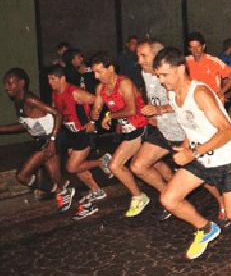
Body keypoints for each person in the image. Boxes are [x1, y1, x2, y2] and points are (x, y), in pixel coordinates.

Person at [155, 48, 231, 270]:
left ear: (179, 69)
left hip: (226, 159)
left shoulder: (200, 93)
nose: (160, 80)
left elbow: (227, 131)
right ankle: (206, 228)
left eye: (164, 75)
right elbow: (189, 126)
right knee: (168, 199)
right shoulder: (173, 95)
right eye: (158, 76)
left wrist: (193, 153)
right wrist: (186, 148)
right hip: (201, 158)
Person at [129, 40, 189, 222]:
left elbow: (183, 101)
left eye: (143, 56)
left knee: (204, 177)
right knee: (138, 166)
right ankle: (171, 198)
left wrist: (159, 110)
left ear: (158, 57)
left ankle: (224, 205)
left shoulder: (173, 75)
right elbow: (152, 97)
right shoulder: (145, 73)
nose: (139, 61)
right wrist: (152, 114)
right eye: (138, 56)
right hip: (163, 130)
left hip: (183, 133)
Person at [1, 68, 74, 211]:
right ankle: (64, 192)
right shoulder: (18, 101)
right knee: (57, 179)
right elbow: (24, 125)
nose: (6, 87)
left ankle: (58, 190)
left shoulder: (29, 99)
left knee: (22, 176)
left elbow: (58, 114)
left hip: (50, 139)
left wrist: (52, 140)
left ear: (21, 83)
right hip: (42, 140)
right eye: (5, 84)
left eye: (10, 83)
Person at [89, 55, 151, 218]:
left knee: (115, 165)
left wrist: (110, 116)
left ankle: (138, 196)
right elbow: (96, 107)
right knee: (152, 166)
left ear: (111, 68)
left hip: (140, 126)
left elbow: (131, 110)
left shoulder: (124, 83)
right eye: (94, 72)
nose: (96, 76)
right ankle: (171, 192)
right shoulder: (101, 88)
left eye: (98, 71)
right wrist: (94, 115)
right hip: (127, 130)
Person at [47, 65, 109, 219]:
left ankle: (102, 161)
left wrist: (93, 121)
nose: (50, 82)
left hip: (84, 134)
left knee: (71, 167)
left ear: (62, 79)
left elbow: (100, 101)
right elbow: (58, 113)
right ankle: (97, 191)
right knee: (79, 169)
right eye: (48, 79)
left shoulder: (75, 93)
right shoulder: (55, 93)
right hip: (71, 134)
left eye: (53, 79)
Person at [185, 32, 231, 100]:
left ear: (203, 46)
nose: (195, 49)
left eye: (198, 46)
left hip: (213, 102)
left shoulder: (215, 62)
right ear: (189, 49)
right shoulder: (185, 62)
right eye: (192, 47)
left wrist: (221, 92)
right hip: (194, 103)